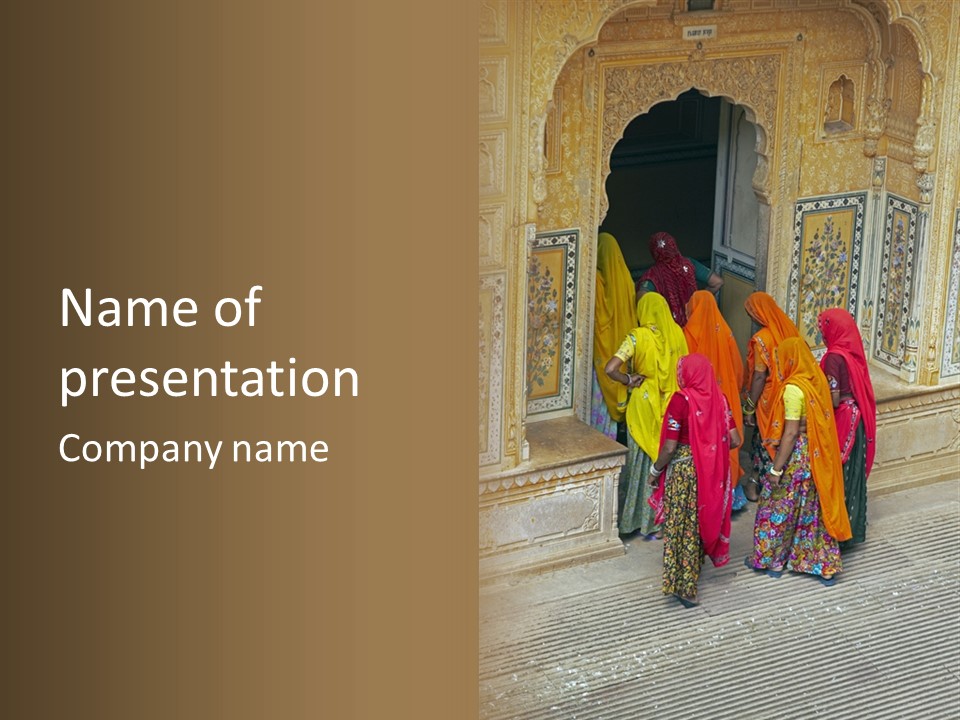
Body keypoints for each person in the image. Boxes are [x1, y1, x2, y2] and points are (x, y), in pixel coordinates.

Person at [745, 337, 852, 585]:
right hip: (819, 454)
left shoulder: (793, 390)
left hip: (799, 455)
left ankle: (771, 561)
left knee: (777, 505)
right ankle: (823, 565)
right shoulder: (817, 380)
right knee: (813, 510)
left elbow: (791, 433)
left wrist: (775, 468)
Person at [647, 354, 741, 608]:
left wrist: (655, 471)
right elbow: (734, 439)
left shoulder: (681, 400)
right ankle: (694, 570)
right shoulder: (720, 399)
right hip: (710, 474)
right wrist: (711, 447)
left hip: (684, 473)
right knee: (700, 521)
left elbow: (669, 447)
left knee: (682, 528)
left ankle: (685, 588)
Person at [604, 292, 688, 538]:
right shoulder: (678, 334)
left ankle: (633, 522)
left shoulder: (637, 336)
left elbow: (610, 368)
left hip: (643, 403)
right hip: (671, 403)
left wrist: (628, 379)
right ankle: (659, 523)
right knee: (663, 460)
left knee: (640, 461)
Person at [683, 290, 747, 510]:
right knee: (729, 445)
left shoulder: (688, 333)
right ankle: (730, 497)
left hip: (701, 401)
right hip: (726, 395)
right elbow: (738, 370)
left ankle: (707, 501)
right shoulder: (726, 332)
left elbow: (685, 371)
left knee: (706, 448)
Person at [818, 308, 877, 546]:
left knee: (838, 476)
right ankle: (851, 529)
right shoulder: (852, 354)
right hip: (857, 419)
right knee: (852, 475)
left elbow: (833, 399)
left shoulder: (834, 357)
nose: (822, 332)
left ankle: (836, 534)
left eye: (824, 326)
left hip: (842, 420)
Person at [741, 291, 801, 502]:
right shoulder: (788, 329)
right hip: (790, 394)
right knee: (783, 437)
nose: (750, 318)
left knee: (763, 440)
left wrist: (748, 407)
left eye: (750, 313)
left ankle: (757, 485)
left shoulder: (761, 339)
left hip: (768, 399)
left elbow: (759, 376)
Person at [591, 232, 640, 440]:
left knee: (599, 396)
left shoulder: (596, 281)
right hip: (624, 348)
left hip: (604, 352)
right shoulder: (627, 279)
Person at [635, 232, 723, 326]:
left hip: (670, 329)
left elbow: (641, 299)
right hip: (694, 323)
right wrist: (697, 301)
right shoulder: (689, 264)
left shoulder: (653, 275)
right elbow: (718, 282)